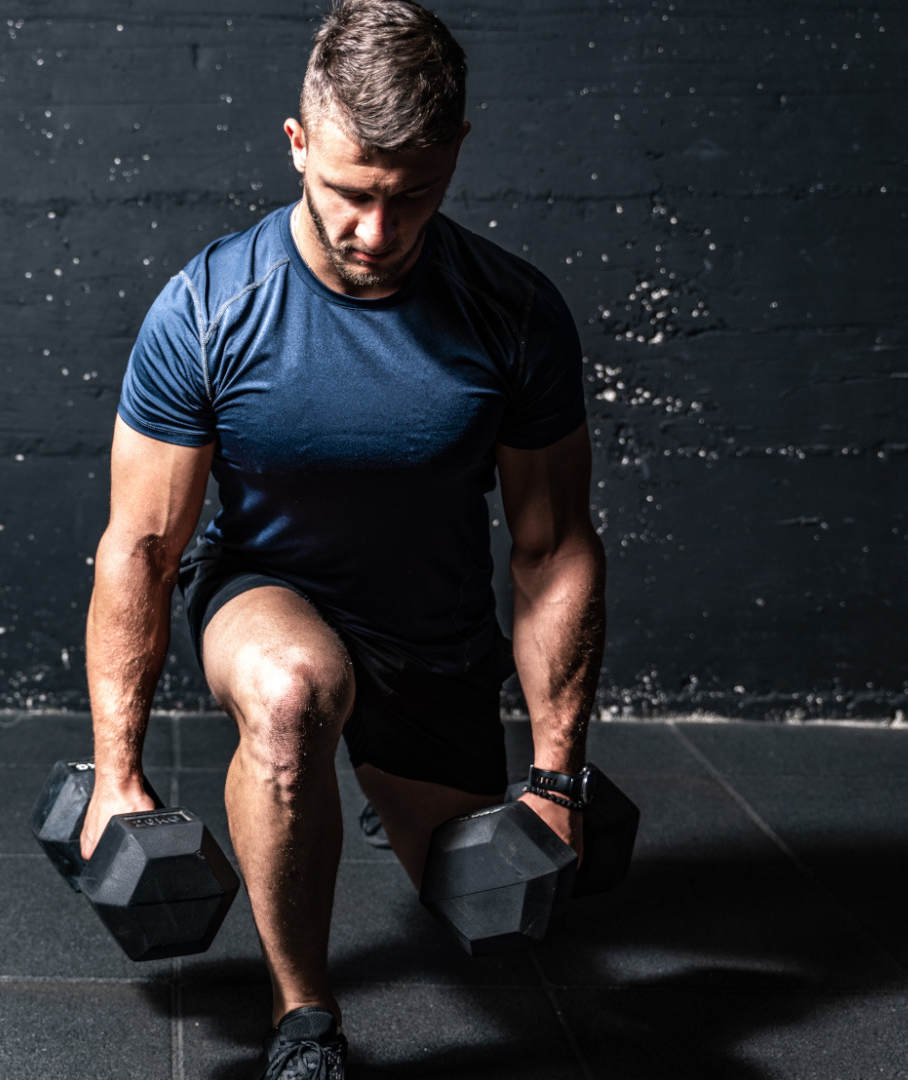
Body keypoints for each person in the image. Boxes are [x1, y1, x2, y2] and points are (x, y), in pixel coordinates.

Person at [77, 0, 607, 1075]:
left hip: (434, 633)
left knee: (487, 910)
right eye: (350, 193)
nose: (376, 231)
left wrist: (557, 778)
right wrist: (114, 774)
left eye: (411, 198)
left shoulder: (512, 312)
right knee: (291, 698)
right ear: (297, 144)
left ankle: (369, 788)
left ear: (456, 155)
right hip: (267, 590)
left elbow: (552, 548)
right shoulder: (210, 310)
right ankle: (303, 1019)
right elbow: (140, 545)